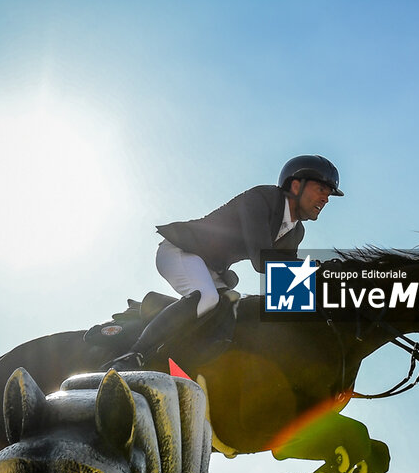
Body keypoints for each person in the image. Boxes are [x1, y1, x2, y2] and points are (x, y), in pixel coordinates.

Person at [106, 154, 343, 370]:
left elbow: (285, 288)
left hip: (209, 268)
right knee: (207, 297)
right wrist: (317, 269)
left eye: (328, 193)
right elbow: (262, 261)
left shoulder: (295, 232)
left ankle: (174, 361)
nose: (326, 198)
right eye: (321, 188)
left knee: (230, 309)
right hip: (181, 250)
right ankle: (131, 356)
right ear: (295, 185)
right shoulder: (263, 198)